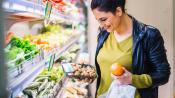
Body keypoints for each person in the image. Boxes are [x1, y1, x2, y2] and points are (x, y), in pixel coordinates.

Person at [90, 0, 171, 98]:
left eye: (103, 19)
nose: (101, 25)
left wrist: (132, 79)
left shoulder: (148, 35)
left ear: (118, 11)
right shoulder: (104, 32)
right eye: (97, 20)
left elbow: (163, 74)